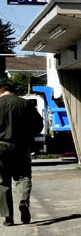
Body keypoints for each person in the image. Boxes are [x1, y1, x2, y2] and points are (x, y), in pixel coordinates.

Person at [0, 83, 43, 226]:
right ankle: (23, 201)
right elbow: (39, 125)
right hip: (21, 146)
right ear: (12, 91)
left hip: (1, 147)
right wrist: (27, 135)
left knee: (3, 181)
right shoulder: (24, 104)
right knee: (23, 177)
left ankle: (8, 217)